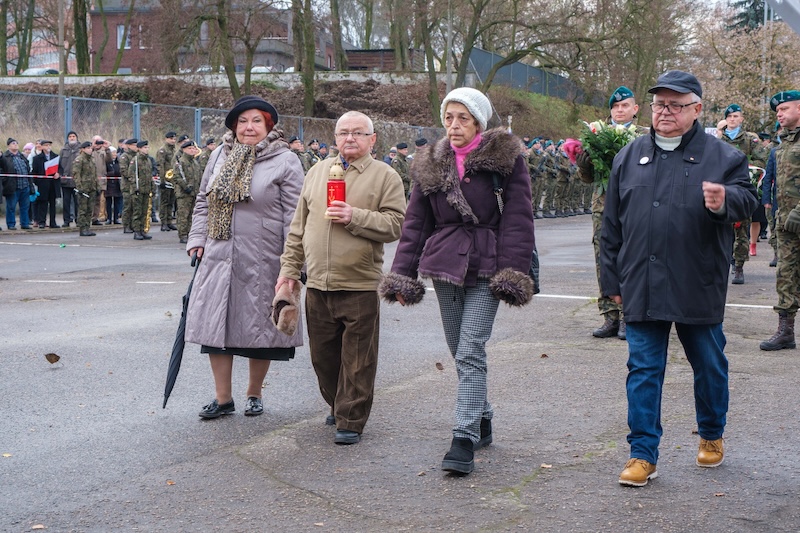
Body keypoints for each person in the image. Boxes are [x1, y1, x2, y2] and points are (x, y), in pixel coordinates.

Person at [600, 70, 757, 487]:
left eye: (675, 105)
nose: (665, 112)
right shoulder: (629, 156)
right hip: (641, 281)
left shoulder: (723, 157)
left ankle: (711, 433)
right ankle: (642, 454)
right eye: (659, 104)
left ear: (697, 109)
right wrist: (610, 282)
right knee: (643, 369)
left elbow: (749, 201)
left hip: (696, 280)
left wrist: (725, 201)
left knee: (708, 364)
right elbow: (611, 226)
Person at [379, 87, 535, 475]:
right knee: (458, 349)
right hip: (445, 264)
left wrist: (512, 271)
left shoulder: (506, 159)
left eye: (463, 118)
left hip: (488, 264)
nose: (454, 125)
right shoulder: (430, 161)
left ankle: (463, 437)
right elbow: (416, 223)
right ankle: (483, 416)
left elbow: (518, 219)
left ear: (479, 122)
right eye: (448, 118)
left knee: (469, 348)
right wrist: (402, 275)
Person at [277, 110, 406, 445]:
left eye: (358, 133)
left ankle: (351, 417)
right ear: (335, 138)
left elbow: (395, 224)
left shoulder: (385, 176)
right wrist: (289, 271)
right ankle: (338, 403)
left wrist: (354, 216)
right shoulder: (317, 172)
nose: (350, 138)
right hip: (317, 284)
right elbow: (298, 228)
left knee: (359, 359)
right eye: (343, 132)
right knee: (323, 358)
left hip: (359, 283)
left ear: (372, 139)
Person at [185, 95, 304, 419]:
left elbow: (295, 216)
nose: (249, 127)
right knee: (216, 327)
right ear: (233, 126)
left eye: (256, 121)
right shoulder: (219, 156)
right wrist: (197, 239)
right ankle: (223, 398)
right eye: (242, 121)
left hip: (264, 257)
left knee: (258, 329)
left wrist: (293, 263)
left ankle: (254, 393)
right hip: (219, 254)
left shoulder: (285, 160)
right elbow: (203, 201)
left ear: (268, 125)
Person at [577, 86, 648, 341]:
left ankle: (629, 315)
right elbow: (588, 179)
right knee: (603, 259)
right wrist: (584, 163)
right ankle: (610, 315)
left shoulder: (645, 137)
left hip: (634, 207)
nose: (619, 110)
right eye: (615, 106)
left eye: (624, 105)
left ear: (635, 109)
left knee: (631, 259)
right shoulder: (597, 134)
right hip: (603, 206)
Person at [760, 90, 800, 351]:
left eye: (784, 109)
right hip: (785, 223)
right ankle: (786, 331)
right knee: (785, 275)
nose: (779, 114)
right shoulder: (782, 144)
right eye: (777, 111)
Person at [719, 104, 758, 284]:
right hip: (722, 189)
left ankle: (739, 266)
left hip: (742, 189)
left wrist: (749, 169)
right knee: (721, 230)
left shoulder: (749, 140)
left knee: (742, 230)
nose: (732, 119)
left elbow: (761, 159)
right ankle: (722, 263)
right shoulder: (718, 140)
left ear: (741, 119)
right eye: (729, 117)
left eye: (736, 116)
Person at [173, 139, 201, 243]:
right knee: (183, 215)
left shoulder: (194, 162)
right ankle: (183, 234)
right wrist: (186, 187)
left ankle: (190, 233)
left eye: (193, 148)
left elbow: (198, 176)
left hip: (194, 192)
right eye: (190, 148)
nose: (192, 150)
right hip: (184, 193)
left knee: (191, 215)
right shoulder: (181, 162)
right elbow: (177, 176)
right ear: (184, 150)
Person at [2, 138, 33, 230]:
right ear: (8, 146)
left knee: (25, 207)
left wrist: (30, 185)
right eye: (13, 143)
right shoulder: (5, 157)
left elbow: (28, 170)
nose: (15, 144)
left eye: (16, 143)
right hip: (12, 187)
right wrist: (6, 182)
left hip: (25, 185)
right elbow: (2, 171)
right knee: (11, 207)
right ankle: (11, 224)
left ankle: (24, 223)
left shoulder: (22, 157)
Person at [31, 140, 61, 229]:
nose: (48, 147)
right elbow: (34, 172)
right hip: (43, 184)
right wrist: (38, 182)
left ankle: (53, 222)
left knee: (52, 204)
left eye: (49, 145)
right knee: (42, 203)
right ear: (42, 147)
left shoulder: (56, 156)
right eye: (46, 145)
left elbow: (60, 168)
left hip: (53, 184)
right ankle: (42, 222)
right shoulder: (37, 158)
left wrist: (58, 173)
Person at [72, 141, 98, 237]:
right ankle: (82, 228)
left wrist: (97, 186)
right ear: (83, 149)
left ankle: (87, 227)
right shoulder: (79, 159)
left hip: (91, 187)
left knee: (89, 209)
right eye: (88, 148)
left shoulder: (92, 159)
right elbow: (76, 174)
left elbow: (95, 174)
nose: (90, 150)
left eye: (91, 148)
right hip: (84, 188)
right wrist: (79, 187)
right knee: (83, 209)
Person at [130, 140, 154, 240]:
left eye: (147, 147)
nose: (146, 149)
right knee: (137, 212)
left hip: (146, 189)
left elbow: (150, 175)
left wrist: (152, 187)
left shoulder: (148, 160)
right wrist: (135, 188)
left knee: (144, 212)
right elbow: (132, 175)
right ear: (139, 149)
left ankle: (143, 230)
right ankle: (137, 231)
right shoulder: (135, 160)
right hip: (138, 190)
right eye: (144, 148)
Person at [156, 131, 179, 232]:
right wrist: (162, 180)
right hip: (165, 178)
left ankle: (169, 221)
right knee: (164, 202)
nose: (173, 141)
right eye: (171, 139)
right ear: (166, 139)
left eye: (174, 139)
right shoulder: (162, 150)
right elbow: (160, 165)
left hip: (172, 179)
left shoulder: (174, 150)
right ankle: (164, 222)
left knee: (171, 201)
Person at [58, 132, 80, 227]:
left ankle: (78, 220)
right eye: (70, 137)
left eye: (73, 136)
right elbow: (59, 164)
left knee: (78, 202)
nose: (72, 138)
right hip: (65, 181)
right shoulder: (63, 150)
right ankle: (66, 220)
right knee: (66, 202)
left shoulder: (81, 149)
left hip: (77, 181)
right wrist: (61, 175)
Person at [119, 138, 139, 234]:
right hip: (127, 185)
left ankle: (133, 225)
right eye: (134, 145)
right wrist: (133, 178)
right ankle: (126, 225)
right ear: (128, 146)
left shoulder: (137, 156)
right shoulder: (125, 156)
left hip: (136, 185)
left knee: (135, 207)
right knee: (128, 206)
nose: (135, 147)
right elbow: (124, 171)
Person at [105, 145, 122, 224]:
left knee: (117, 202)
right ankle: (109, 218)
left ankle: (116, 218)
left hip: (117, 184)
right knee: (108, 202)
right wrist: (111, 173)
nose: (114, 154)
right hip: (108, 184)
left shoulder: (118, 162)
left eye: (115, 152)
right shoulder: (106, 162)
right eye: (113, 153)